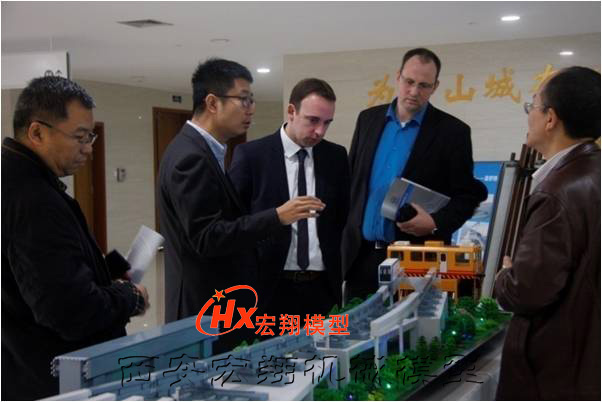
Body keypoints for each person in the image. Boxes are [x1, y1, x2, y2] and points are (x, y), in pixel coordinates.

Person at [157, 59, 325, 348]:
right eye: (243, 99)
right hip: (205, 308)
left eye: (252, 99)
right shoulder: (190, 157)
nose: (251, 108)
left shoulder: (204, 150)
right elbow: (208, 237)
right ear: (212, 103)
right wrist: (277, 216)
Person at [1, 76, 149, 400]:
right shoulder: (32, 199)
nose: (88, 148)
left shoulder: (19, 179)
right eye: (80, 137)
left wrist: (105, 271)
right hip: (54, 379)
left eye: (90, 136)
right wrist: (129, 297)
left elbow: (42, 273)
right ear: (37, 132)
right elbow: (69, 311)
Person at [341, 47, 487, 300]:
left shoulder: (453, 132)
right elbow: (352, 183)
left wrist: (435, 222)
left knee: (411, 326)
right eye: (409, 82)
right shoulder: (367, 120)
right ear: (398, 77)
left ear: (435, 87)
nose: (414, 91)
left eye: (424, 85)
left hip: (415, 263)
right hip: (360, 258)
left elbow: (467, 195)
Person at [494, 66, 600, 400]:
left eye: (533, 106)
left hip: (551, 370)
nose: (530, 115)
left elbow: (527, 290)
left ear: (550, 118)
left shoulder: (557, 192)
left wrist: (505, 277)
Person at [229, 78, 350, 321]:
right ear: (292, 111)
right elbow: (234, 224)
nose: (320, 131)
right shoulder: (252, 156)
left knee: (324, 348)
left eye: (327, 122)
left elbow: (342, 218)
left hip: (323, 289)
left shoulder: (336, 156)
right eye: (313, 120)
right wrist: (277, 217)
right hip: (269, 288)